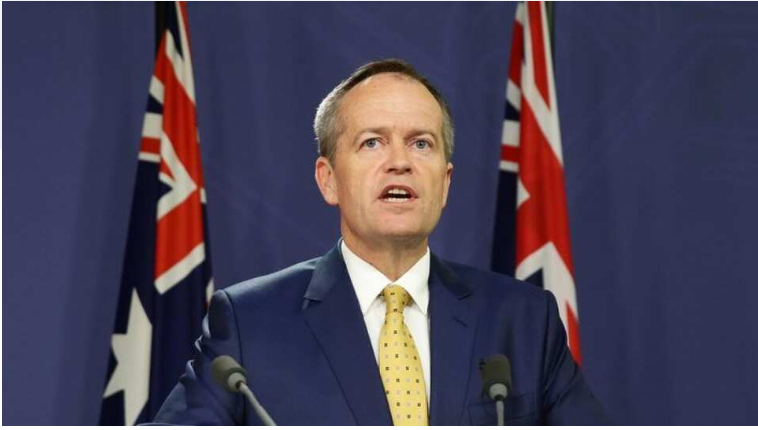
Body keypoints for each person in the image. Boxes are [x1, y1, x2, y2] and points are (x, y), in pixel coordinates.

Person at [154, 59, 608, 425]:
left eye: (421, 144)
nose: (399, 162)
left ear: (445, 183)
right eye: (372, 143)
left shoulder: (524, 321)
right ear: (328, 180)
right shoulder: (250, 324)